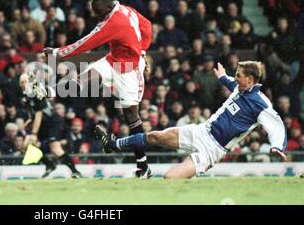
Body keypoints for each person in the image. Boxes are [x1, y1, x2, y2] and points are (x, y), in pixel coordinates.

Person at [97, 61, 287, 178]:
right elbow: (230, 82)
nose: (235, 78)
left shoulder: (261, 104)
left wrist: (278, 146)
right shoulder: (241, 87)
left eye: (239, 75)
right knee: (155, 136)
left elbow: (276, 126)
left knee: (171, 178)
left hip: (213, 149)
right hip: (202, 131)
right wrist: (222, 77)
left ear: (251, 80)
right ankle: (112, 144)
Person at [44, 0, 153, 178]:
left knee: (131, 118)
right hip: (113, 61)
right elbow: (147, 26)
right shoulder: (127, 10)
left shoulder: (113, 22)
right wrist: (142, 50)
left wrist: (57, 52)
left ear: (107, 8)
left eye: (97, 12)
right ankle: (51, 91)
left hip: (129, 71)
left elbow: (84, 43)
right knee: (86, 77)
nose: (96, 16)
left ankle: (143, 166)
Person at [19, 73, 82, 178]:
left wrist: (34, 133)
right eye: (21, 82)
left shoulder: (36, 92)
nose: (23, 84)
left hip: (52, 121)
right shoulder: (26, 95)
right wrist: (30, 120)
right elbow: (33, 111)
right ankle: (49, 164)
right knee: (25, 147)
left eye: (25, 81)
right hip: (43, 123)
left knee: (55, 149)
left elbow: (39, 113)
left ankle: (75, 171)